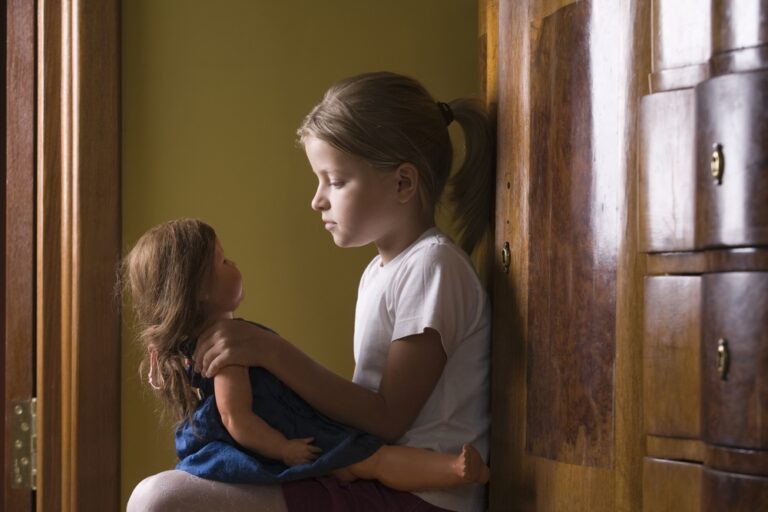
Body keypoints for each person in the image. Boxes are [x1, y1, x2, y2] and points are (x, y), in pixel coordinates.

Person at [127, 71, 493, 512]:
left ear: (402, 183)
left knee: (160, 500)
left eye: (334, 181)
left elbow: (389, 418)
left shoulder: (434, 268)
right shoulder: (382, 271)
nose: (318, 199)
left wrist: (272, 352)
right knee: (167, 491)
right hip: (375, 481)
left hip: (423, 496)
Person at [123, 219, 490, 500]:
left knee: (364, 461)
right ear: (201, 290)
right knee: (370, 460)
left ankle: (453, 470)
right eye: (222, 261)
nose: (233, 263)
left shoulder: (217, 342)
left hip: (285, 430)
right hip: (277, 438)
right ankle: (454, 470)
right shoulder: (226, 348)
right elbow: (237, 418)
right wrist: (283, 448)